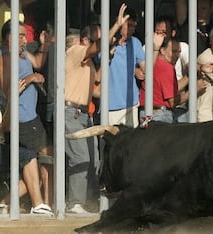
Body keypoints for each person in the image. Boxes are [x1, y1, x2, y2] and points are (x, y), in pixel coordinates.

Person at [0, 61, 52, 215]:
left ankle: (1, 206)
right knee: (29, 157)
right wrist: (13, 99)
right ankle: (38, 204)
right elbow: (4, 126)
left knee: (33, 175)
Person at [0, 20, 53, 206]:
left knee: (38, 161)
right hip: (21, 118)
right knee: (49, 155)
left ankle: (4, 204)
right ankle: (46, 204)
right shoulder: (3, 57)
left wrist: (44, 44)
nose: (25, 39)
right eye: (21, 35)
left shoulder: (22, 53)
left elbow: (39, 62)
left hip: (30, 117)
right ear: (9, 37)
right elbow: (8, 90)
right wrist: (31, 77)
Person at [64, 23, 102, 213]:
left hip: (85, 114)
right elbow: (98, 46)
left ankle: (88, 202)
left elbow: (95, 91)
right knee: (81, 157)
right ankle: (75, 203)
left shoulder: (87, 63)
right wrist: (116, 29)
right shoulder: (76, 51)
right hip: (72, 112)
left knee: (93, 159)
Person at [108, 6, 146, 128]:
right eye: (129, 25)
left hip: (131, 103)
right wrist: (116, 25)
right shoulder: (109, 42)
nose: (132, 30)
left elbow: (146, 68)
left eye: (134, 26)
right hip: (110, 105)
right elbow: (101, 48)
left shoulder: (135, 43)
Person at [139, 37, 182, 123]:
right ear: (162, 50)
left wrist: (189, 77)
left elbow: (169, 90)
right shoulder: (166, 68)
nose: (177, 55)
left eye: (179, 52)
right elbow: (172, 102)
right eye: (174, 51)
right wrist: (195, 90)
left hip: (145, 113)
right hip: (160, 115)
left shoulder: (154, 63)